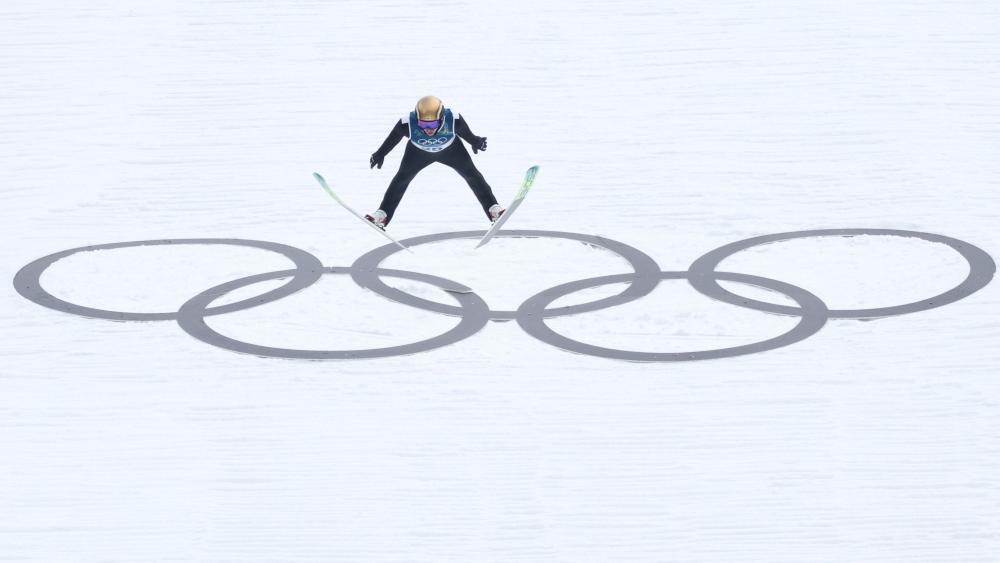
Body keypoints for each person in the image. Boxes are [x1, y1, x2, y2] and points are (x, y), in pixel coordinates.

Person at [365, 95, 503, 229]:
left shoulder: (454, 119)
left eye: (432, 123)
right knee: (401, 179)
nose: (428, 129)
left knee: (472, 175)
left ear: (442, 118)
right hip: (418, 153)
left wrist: (476, 142)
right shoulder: (406, 123)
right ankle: (382, 215)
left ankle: (494, 209)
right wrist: (380, 153)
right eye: (423, 124)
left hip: (451, 150)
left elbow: (467, 134)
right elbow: (393, 139)